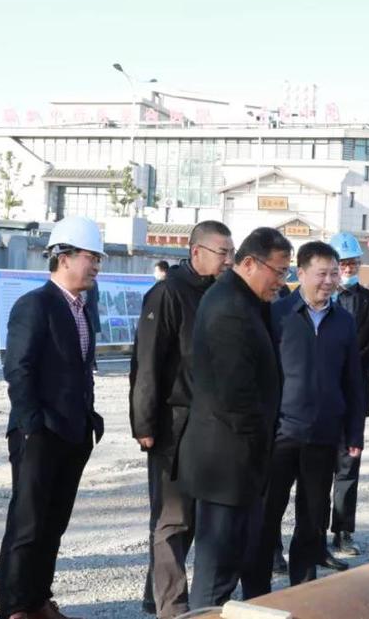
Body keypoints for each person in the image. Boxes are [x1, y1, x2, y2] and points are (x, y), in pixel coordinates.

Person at [0, 216, 107, 619]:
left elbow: (80, 368)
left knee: (54, 523)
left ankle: (38, 598)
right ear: (64, 257)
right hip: (40, 433)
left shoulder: (82, 307)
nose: (96, 266)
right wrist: (32, 425)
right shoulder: (34, 305)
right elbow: (18, 368)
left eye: (98, 259)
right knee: (27, 525)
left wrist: (88, 419)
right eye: (91, 257)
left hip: (73, 433)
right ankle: (15, 608)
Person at [176, 227, 293, 608]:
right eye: (278, 271)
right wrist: (261, 441)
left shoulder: (248, 301)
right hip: (226, 464)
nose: (282, 280)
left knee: (244, 559)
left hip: (243, 461)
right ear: (250, 263)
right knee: (217, 574)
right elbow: (234, 395)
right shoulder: (228, 307)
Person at [247, 241, 365, 596]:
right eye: (321, 273)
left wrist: (354, 432)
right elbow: (259, 375)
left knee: (312, 517)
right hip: (281, 433)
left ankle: (303, 589)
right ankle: (256, 590)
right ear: (300, 274)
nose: (329, 281)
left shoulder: (344, 322)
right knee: (267, 514)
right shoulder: (277, 315)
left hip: (324, 435)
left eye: (334, 273)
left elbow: (353, 381)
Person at [130, 221, 235, 618]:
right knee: (172, 520)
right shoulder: (168, 294)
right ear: (196, 252)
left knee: (193, 519)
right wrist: (144, 425)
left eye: (231, 253)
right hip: (173, 425)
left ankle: (155, 593)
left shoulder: (220, 293)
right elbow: (147, 364)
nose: (229, 260)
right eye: (222, 253)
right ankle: (172, 608)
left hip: (209, 426)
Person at [326, 232, 369, 559]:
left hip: (354, 397)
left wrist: (350, 365)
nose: (348, 268)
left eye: (352, 263)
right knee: (316, 469)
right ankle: (311, 532)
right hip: (320, 398)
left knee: (348, 467)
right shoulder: (316, 300)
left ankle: (343, 531)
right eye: (342, 263)